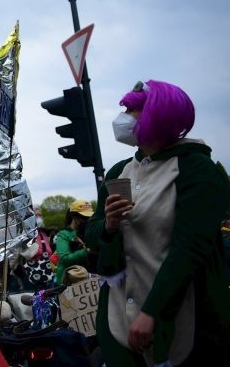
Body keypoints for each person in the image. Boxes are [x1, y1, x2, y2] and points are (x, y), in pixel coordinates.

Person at [85, 80, 230, 366]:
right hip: (117, 317)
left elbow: (189, 249)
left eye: (132, 109)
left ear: (158, 115)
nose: (123, 117)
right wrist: (109, 225)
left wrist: (152, 311)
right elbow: (93, 233)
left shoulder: (197, 169)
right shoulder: (119, 172)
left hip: (182, 317)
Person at [53, 200, 94, 285]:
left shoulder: (90, 232)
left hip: (88, 280)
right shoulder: (63, 235)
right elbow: (64, 259)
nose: (87, 220)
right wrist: (87, 251)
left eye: (89, 217)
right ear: (74, 216)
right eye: (84, 217)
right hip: (69, 281)